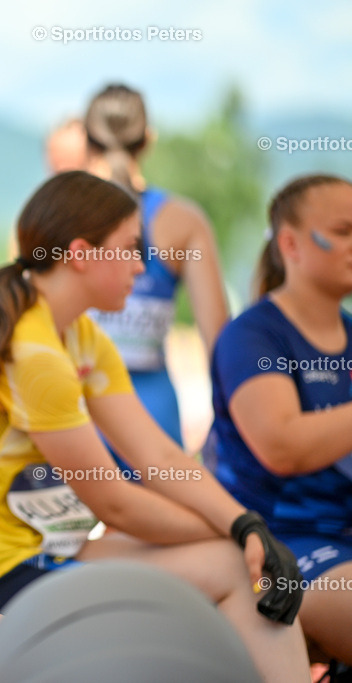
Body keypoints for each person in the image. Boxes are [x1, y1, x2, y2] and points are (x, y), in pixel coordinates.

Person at [0, 170, 310, 683]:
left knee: (236, 561)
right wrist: (243, 532)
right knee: (235, 566)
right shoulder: (36, 353)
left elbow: (159, 457)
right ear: (80, 253)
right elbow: (113, 501)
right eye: (131, 249)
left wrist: (246, 525)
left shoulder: (79, 333)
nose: (142, 267)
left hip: (38, 546)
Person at [204, 174, 352, 669]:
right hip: (282, 543)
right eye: (344, 229)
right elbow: (282, 446)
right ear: (290, 243)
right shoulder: (253, 337)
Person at [83, 83, 229, 451]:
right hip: (154, 422)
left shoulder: (57, 215)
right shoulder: (184, 220)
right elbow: (219, 341)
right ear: (148, 140)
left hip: (72, 420)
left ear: (87, 139)